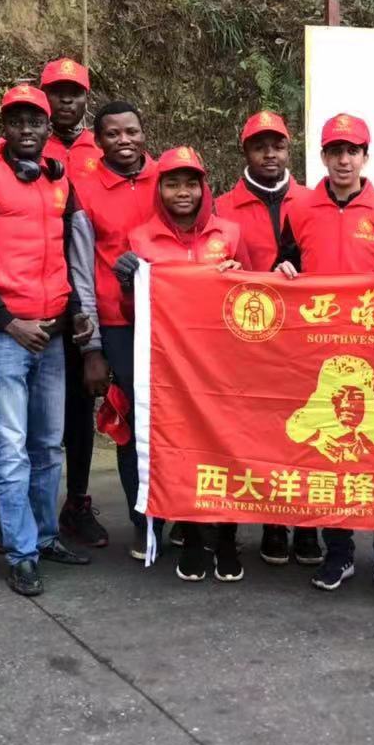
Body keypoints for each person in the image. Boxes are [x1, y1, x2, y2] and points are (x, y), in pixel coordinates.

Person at [0, 85, 95, 597]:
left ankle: (45, 535)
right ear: (4, 126)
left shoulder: (58, 179)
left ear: (50, 127)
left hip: (51, 335)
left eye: (36, 121)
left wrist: (74, 314)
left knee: (48, 446)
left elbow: (66, 259)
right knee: (11, 449)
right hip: (7, 337)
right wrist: (9, 323)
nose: (27, 129)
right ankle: (21, 553)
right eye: (18, 121)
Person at [275, 113, 374, 600]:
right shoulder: (299, 209)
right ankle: (338, 553)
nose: (343, 160)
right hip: (319, 357)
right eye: (335, 151)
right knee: (328, 457)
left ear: (365, 157)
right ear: (322, 156)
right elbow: (283, 264)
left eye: (352, 151)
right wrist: (283, 269)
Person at [115, 147, 250, 581]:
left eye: (191, 183)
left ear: (203, 187)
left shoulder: (230, 233)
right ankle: (192, 536)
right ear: (160, 190)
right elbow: (133, 311)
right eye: (172, 184)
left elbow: (256, 296)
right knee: (184, 450)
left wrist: (239, 276)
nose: (183, 192)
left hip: (226, 364)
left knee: (228, 449)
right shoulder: (141, 239)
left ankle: (226, 538)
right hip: (171, 367)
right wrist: (127, 283)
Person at [214, 110, 322, 569]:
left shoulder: (314, 201)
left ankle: (308, 522)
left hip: (307, 337)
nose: (270, 154)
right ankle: (274, 521)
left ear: (288, 149)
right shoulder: (221, 207)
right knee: (263, 431)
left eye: (277, 145)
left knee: (310, 428)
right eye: (260, 147)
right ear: (246, 152)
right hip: (248, 339)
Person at [70, 100, 162, 559]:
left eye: (132, 131)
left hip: (173, 323)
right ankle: (143, 520)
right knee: (134, 424)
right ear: (98, 140)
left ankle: (180, 515)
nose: (124, 141)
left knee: (177, 421)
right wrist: (92, 347)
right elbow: (81, 270)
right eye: (113, 134)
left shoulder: (170, 178)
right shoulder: (84, 191)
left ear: (144, 133)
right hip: (119, 325)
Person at [37, 58, 108, 546]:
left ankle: (77, 502)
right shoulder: (21, 143)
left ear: (86, 97)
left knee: (81, 406)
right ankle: (27, 505)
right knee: (34, 411)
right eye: (57, 91)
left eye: (75, 92)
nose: (66, 100)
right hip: (36, 294)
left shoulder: (101, 149)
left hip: (86, 294)